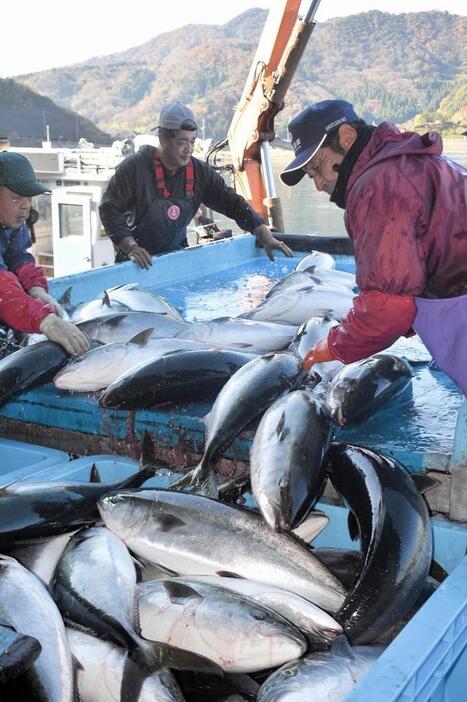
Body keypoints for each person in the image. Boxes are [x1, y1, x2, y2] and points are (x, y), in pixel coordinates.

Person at [280, 99, 467, 395]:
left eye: (318, 167)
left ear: (346, 137)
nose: (318, 184)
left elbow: (388, 304)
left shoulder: (377, 185)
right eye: (310, 176)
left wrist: (335, 344)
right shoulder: (413, 162)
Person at [99, 102, 293, 268]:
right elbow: (109, 210)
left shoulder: (200, 172)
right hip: (135, 264)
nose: (188, 150)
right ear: (163, 139)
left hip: (176, 260)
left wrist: (264, 235)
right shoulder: (134, 168)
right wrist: (130, 247)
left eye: (192, 142)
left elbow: (232, 203)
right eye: (182, 142)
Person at [0, 152, 90, 357]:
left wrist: (37, 288)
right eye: (16, 198)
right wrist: (45, 320)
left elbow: (19, 257)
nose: (25, 205)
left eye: (29, 198)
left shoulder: (11, 218)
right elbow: (2, 288)